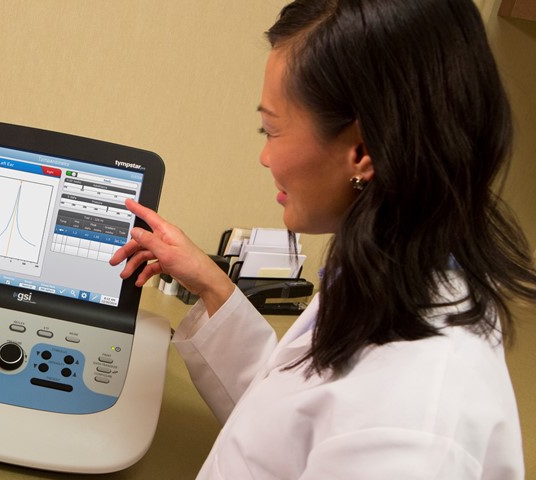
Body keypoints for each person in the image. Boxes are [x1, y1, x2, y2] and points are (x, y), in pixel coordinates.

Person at [111, 0, 536, 478]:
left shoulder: (415, 425)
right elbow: (287, 424)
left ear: (361, 150)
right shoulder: (397, 270)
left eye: (269, 129)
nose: (264, 158)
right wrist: (212, 284)